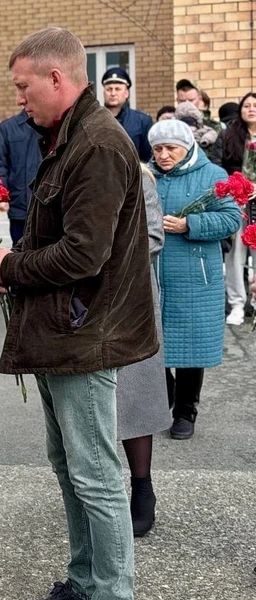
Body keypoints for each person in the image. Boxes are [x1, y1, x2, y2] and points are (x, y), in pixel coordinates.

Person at [0, 27, 158, 600]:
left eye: (24, 86)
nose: (19, 99)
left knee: (97, 475)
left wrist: (11, 267)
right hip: (66, 333)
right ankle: (85, 582)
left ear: (57, 78)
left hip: (85, 335)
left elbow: (84, 253)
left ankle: (110, 593)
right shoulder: (69, 134)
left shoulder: (97, 144)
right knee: (71, 467)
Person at [148, 119, 240, 440]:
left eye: (171, 148)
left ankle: (186, 411)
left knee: (189, 348)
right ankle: (165, 396)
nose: (163, 155)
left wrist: (190, 225)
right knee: (153, 343)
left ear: (187, 147)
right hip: (154, 274)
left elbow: (231, 219)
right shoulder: (146, 176)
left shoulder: (212, 175)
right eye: (158, 149)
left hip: (195, 276)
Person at [116, 164, 171, 537]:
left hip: (129, 302)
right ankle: (99, 492)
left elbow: (153, 237)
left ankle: (142, 487)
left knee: (134, 398)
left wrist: (93, 255)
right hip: (78, 308)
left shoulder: (138, 178)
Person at [218, 92, 256, 325]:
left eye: (255, 105)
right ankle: (237, 304)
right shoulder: (229, 135)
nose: (251, 109)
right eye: (247, 105)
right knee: (235, 255)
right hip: (238, 201)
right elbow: (220, 164)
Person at [0, 109, 41, 243]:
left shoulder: (51, 125)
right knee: (20, 250)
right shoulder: (8, 128)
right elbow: (0, 164)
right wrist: (1, 197)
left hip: (45, 203)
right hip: (18, 202)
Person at [101, 67, 152, 162]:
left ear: (126, 93)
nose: (113, 93)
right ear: (104, 93)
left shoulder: (142, 121)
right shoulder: (95, 120)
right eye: (109, 89)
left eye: (117, 89)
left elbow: (147, 157)